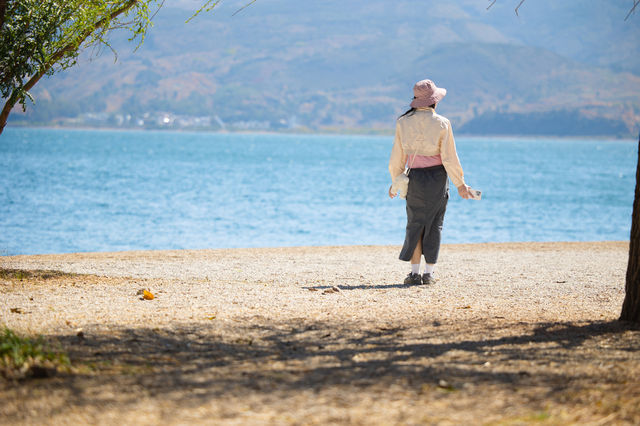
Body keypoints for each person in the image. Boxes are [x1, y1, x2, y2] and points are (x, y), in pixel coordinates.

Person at [389, 79, 472, 285]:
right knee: (434, 224)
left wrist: (395, 181)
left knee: (415, 223)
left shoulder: (402, 122)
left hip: (414, 177)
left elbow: (397, 157)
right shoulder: (443, 123)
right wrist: (460, 183)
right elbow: (449, 157)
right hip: (437, 177)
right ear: (434, 101)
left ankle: (414, 273)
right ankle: (429, 274)